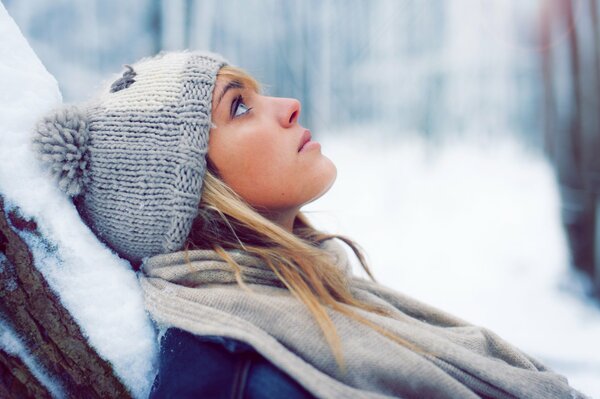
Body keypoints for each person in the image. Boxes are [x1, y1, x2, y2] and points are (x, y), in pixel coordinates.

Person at [31, 50, 588, 399]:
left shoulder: (321, 300)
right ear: (192, 191)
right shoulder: (245, 378)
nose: (290, 105)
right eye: (239, 108)